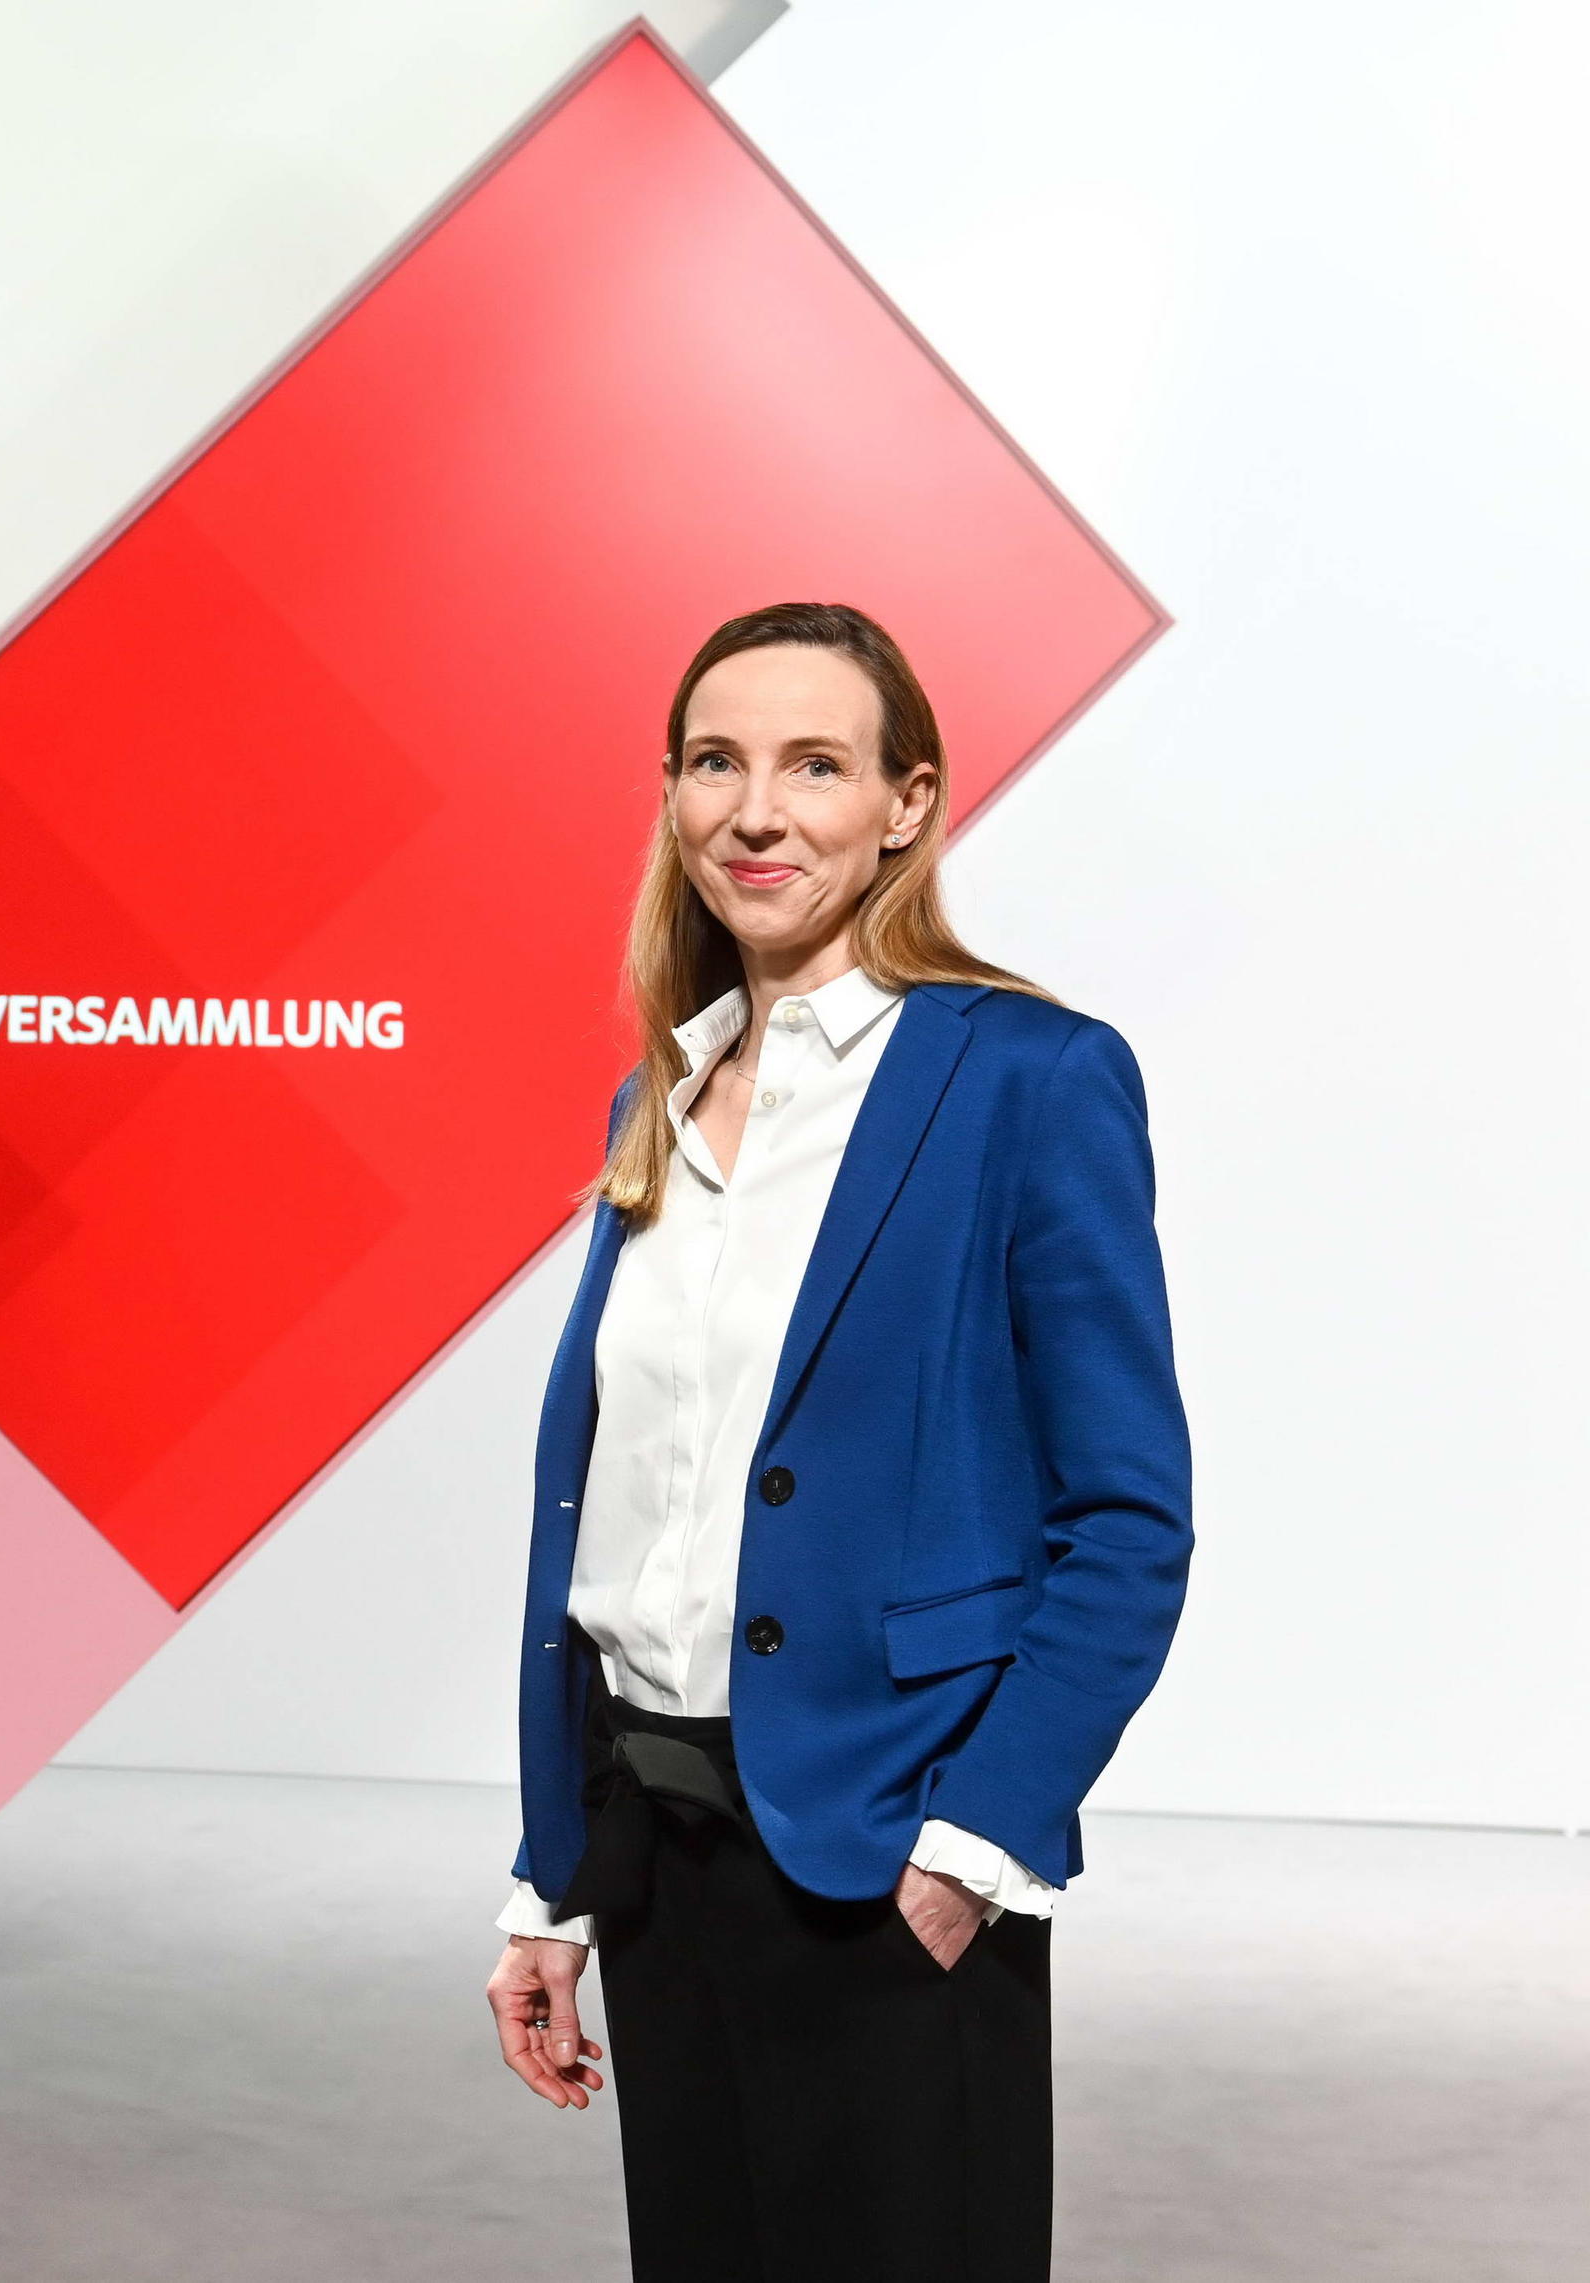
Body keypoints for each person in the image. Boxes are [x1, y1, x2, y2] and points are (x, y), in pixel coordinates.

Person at [479, 604, 1191, 2280]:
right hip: (654, 1850)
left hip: (885, 1857)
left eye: (814, 766)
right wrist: (553, 1878)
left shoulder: (1028, 1078)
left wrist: (977, 1846)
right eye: (714, 764)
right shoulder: (658, 1101)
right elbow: (630, 1516)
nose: (756, 812)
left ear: (904, 803)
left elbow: (1126, 1519)